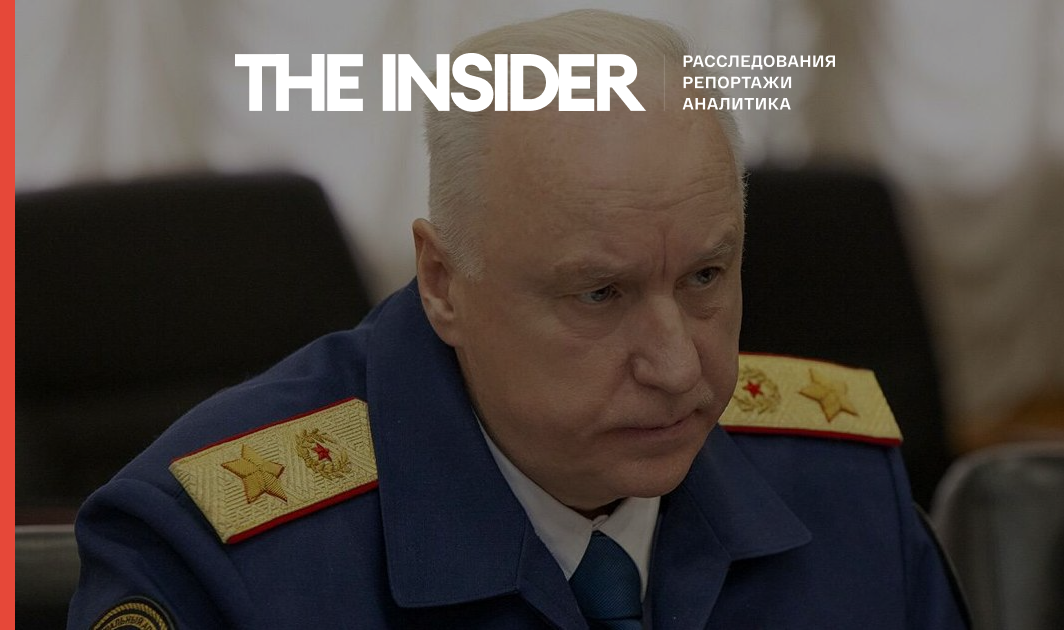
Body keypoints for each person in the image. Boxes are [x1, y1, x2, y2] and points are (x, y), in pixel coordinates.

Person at [68, 10, 969, 629]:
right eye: (599, 294)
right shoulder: (222, 549)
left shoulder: (839, 481)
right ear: (442, 282)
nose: (677, 367)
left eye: (705, 276)